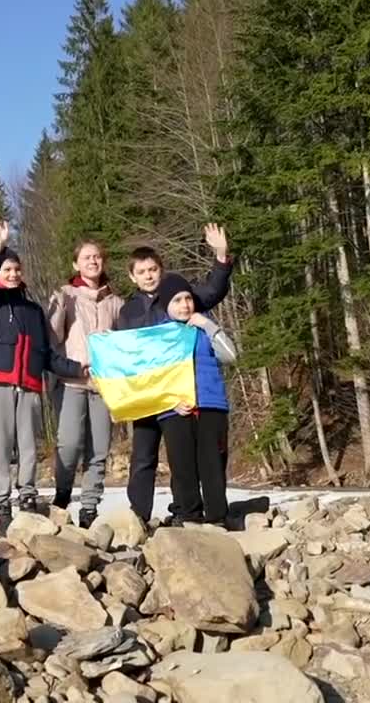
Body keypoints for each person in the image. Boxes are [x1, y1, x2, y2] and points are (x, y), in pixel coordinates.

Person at [115, 224, 233, 524]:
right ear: (133, 276)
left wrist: (220, 256)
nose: (149, 275)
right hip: (148, 394)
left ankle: (184, 511)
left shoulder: (183, 296)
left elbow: (213, 288)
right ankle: (139, 516)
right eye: (142, 272)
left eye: (153, 269)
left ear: (161, 269)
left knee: (183, 456)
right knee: (143, 456)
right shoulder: (128, 312)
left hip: (181, 396)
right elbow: (126, 355)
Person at [0, 217, 84, 534]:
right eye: (6, 270)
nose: (12, 274)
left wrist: (78, 369)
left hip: (30, 388)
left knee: (28, 448)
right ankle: (1, 506)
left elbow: (48, 356)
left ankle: (27, 497)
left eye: (16, 269)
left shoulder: (33, 311)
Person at [46, 240, 123, 530]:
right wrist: (57, 308)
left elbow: (127, 342)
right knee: (69, 443)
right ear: (76, 264)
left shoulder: (115, 301)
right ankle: (63, 494)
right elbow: (51, 337)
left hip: (104, 385)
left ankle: (89, 507)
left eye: (98, 257)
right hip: (70, 382)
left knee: (99, 450)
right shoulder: (66, 295)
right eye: (87, 257)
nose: (93, 261)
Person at [151, 274, 238, 525]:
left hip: (211, 405)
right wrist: (169, 402)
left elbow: (230, 355)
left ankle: (217, 518)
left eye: (188, 298)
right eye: (177, 300)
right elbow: (153, 377)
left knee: (212, 463)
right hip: (175, 409)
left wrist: (208, 326)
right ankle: (189, 516)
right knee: (182, 466)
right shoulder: (159, 336)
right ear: (166, 305)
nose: (185, 304)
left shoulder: (205, 327)